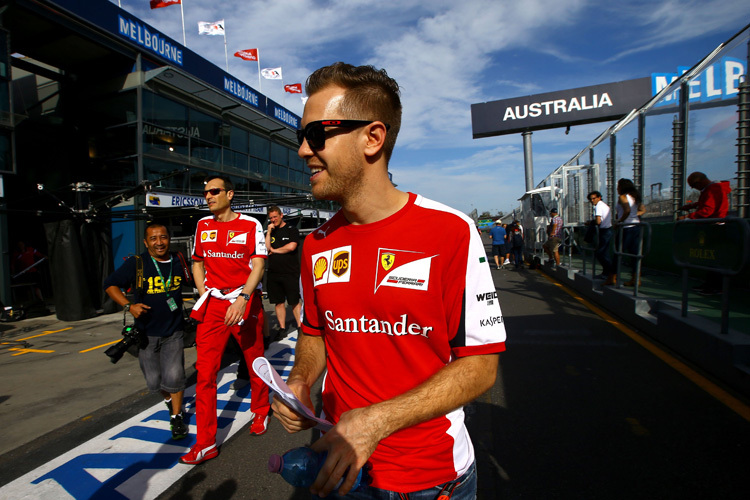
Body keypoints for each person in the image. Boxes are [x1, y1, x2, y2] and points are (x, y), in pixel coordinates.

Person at [271, 62, 506, 499]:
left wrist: (377, 421)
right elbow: (315, 333)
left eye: (317, 135)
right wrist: (302, 378)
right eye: (300, 137)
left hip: (431, 481)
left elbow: (481, 366)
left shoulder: (451, 231)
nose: (304, 150)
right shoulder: (317, 244)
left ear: (372, 138)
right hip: (339, 471)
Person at [181, 175, 270, 466]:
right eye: (205, 192)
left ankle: (260, 409)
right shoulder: (203, 225)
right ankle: (206, 443)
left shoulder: (250, 225)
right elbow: (197, 262)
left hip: (244, 301)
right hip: (214, 305)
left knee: (254, 358)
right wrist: (203, 292)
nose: (208, 196)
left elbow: (258, 264)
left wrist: (243, 298)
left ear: (230, 194)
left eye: (214, 191)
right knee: (205, 373)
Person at [103, 223, 192, 441]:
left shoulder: (179, 260)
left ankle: (177, 417)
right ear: (146, 242)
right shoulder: (137, 263)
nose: (159, 242)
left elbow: (197, 277)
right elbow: (110, 285)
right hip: (146, 334)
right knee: (154, 382)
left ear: (169, 239)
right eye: (153, 239)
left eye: (163, 237)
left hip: (174, 330)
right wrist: (128, 305)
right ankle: (170, 400)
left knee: (175, 376)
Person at [678, 172, 732, 295]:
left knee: (714, 259)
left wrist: (688, 217)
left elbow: (708, 210)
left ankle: (716, 287)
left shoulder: (713, 189)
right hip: (712, 227)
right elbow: (708, 204)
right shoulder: (711, 189)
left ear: (699, 182)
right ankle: (710, 284)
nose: (694, 188)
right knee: (710, 258)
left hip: (715, 227)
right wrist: (692, 206)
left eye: (693, 186)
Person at [265, 205, 302, 337]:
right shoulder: (271, 231)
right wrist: (269, 232)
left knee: (294, 301)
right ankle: (282, 328)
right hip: (274, 272)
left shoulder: (291, 230)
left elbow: (291, 247)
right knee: (278, 302)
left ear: (281, 215)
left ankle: (299, 326)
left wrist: (275, 251)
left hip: (290, 272)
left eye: (275, 217)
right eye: (271, 218)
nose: (273, 220)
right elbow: (267, 247)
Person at [614, 179, 646, 287]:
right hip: (636, 227)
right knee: (634, 255)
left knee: (618, 253)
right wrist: (634, 215)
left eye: (618, 186)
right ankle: (636, 279)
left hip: (626, 228)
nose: (617, 188)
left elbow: (627, 210)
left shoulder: (623, 197)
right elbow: (643, 210)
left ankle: (612, 277)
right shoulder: (635, 197)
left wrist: (620, 221)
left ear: (622, 187)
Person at [588, 191, 616, 285]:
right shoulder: (604, 205)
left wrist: (591, 223)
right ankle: (606, 273)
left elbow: (598, 221)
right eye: (591, 199)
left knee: (601, 253)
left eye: (594, 198)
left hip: (605, 231)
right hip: (607, 230)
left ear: (599, 197)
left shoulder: (599, 206)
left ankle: (610, 273)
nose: (592, 200)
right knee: (603, 252)